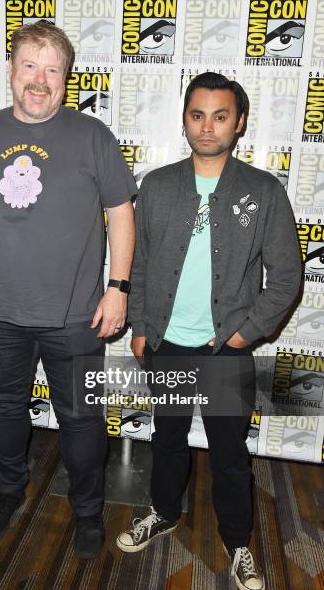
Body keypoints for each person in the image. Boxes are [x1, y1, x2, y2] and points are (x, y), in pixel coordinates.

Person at [0, 20, 137, 559]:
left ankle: (88, 510)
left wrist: (118, 288)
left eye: (52, 69)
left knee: (82, 418)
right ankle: (6, 493)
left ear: (66, 78)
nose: (39, 80)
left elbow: (121, 212)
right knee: (2, 410)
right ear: (12, 71)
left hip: (75, 316)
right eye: (30, 66)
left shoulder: (93, 136)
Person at [116, 72, 301, 590]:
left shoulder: (262, 191)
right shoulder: (156, 186)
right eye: (197, 115)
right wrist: (141, 326)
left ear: (239, 123)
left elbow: (286, 278)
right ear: (184, 119)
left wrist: (245, 334)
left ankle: (238, 541)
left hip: (226, 348)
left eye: (220, 116)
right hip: (166, 343)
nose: (207, 127)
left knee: (228, 453)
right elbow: (144, 263)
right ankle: (163, 511)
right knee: (168, 437)